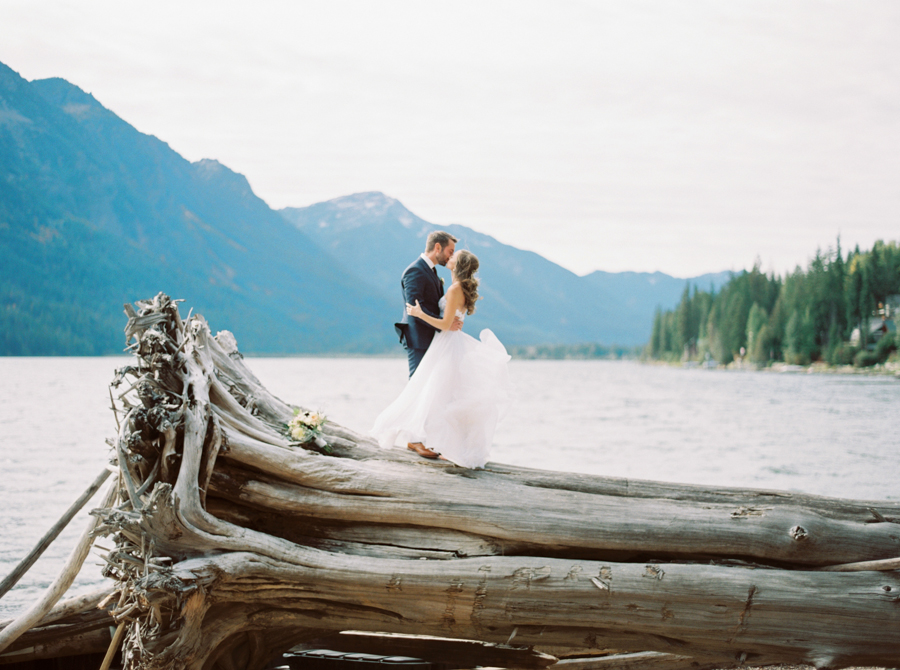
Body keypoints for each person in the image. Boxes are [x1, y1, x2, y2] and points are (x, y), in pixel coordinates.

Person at [373, 249, 511, 468]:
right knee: (437, 393)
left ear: (459, 264)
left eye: (455, 256)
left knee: (438, 393)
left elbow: (446, 324)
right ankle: (429, 441)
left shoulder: (456, 289)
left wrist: (419, 315)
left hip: (447, 344)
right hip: (446, 343)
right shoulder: (456, 286)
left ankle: (442, 444)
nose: (451, 256)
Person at [394, 231, 461, 378]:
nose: (451, 256)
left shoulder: (430, 270)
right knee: (418, 384)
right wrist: (445, 323)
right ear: (438, 247)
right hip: (419, 339)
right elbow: (415, 309)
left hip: (434, 339)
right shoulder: (415, 271)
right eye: (450, 251)